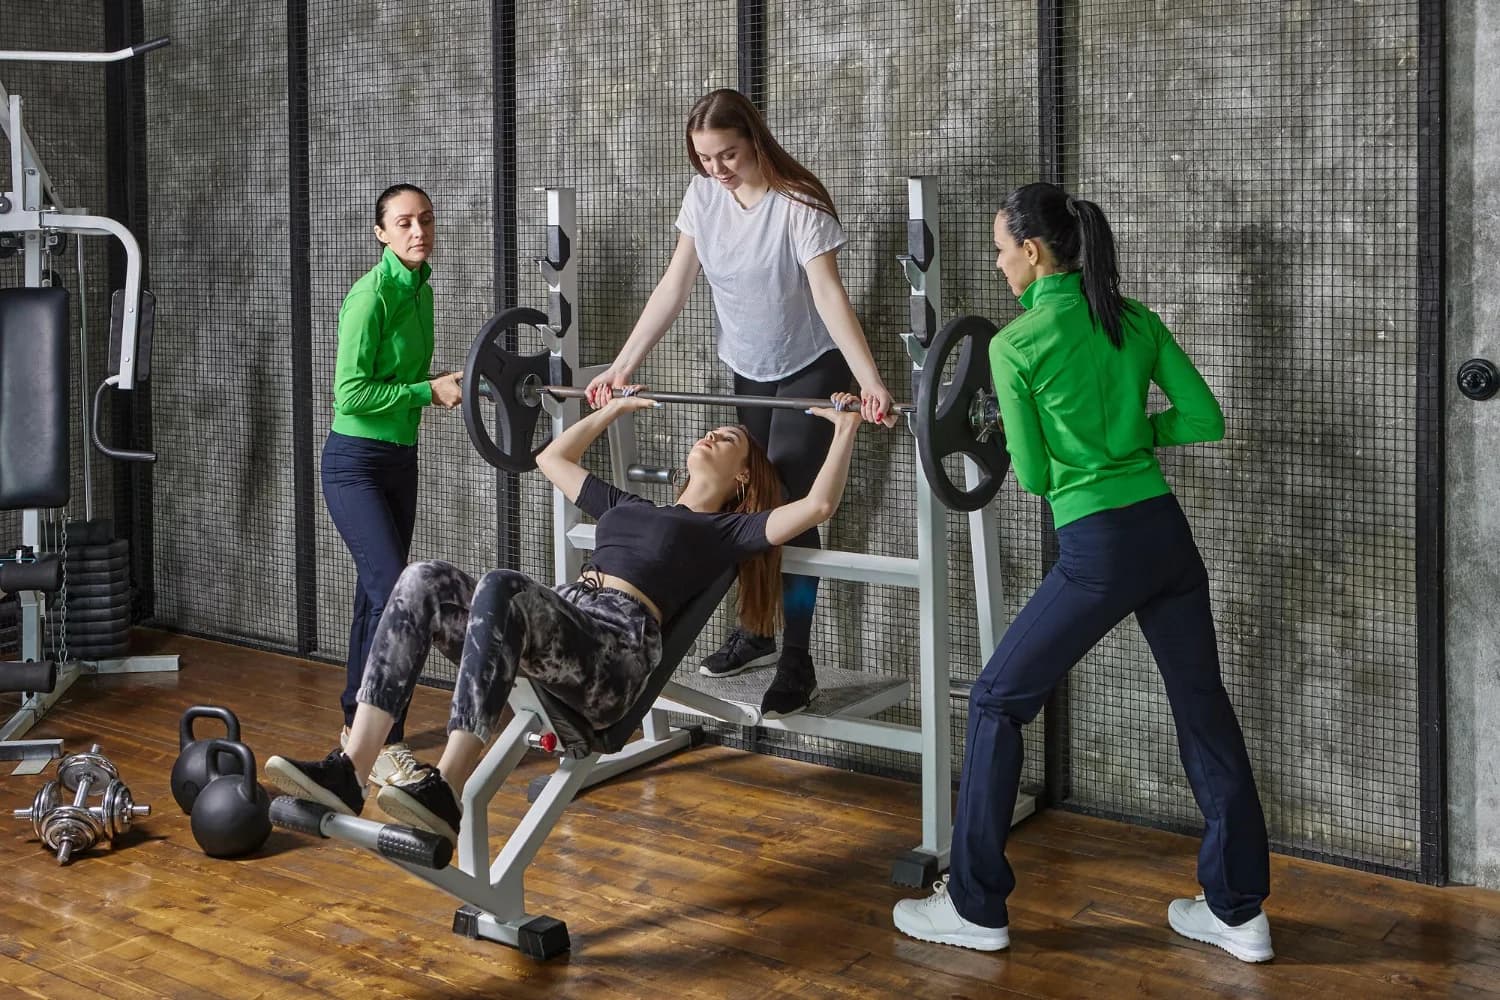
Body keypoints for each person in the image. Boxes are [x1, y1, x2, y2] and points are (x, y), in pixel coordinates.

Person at [892, 183, 1273, 963]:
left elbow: (1033, 477)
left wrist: (1047, 436)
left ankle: (973, 907)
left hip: (1098, 548)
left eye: (1001, 250)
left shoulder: (1014, 346)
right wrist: (1131, 432)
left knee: (996, 701)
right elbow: (1204, 419)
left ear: (1033, 252)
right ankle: (1239, 914)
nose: (999, 265)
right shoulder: (1133, 319)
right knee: (1203, 709)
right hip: (1166, 538)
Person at [267, 391, 871, 844]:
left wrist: (845, 427)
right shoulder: (629, 505)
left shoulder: (725, 531)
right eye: (713, 429)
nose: (712, 433)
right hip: (569, 621)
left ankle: (446, 787)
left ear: (742, 475)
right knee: (421, 578)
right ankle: (352, 769)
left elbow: (817, 505)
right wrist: (611, 408)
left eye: (729, 437)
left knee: (503, 587)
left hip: (613, 654)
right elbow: (552, 457)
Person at [584, 88, 896, 720]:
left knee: (792, 511)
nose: (717, 169)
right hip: (747, 368)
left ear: (754, 139)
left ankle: (797, 657)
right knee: (747, 502)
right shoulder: (703, 197)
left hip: (810, 366)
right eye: (704, 158)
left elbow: (830, 296)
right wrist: (622, 367)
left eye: (727, 154)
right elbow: (674, 286)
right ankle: (757, 630)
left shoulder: (798, 204)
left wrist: (870, 381)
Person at [321, 183, 464, 789]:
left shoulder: (420, 289)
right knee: (395, 598)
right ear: (380, 232)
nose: (417, 231)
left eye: (425, 220)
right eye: (403, 223)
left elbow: (400, 376)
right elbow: (350, 394)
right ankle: (384, 743)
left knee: (374, 597)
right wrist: (426, 391)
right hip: (354, 463)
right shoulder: (370, 295)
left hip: (399, 462)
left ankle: (354, 723)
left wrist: (441, 382)